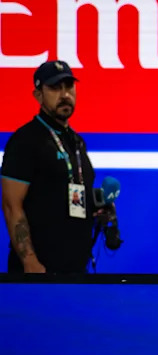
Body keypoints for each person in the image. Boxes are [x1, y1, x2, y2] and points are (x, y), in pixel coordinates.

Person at [1, 60, 96, 274]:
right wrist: (30, 261)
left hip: (75, 269)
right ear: (38, 95)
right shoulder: (25, 141)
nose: (64, 94)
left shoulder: (77, 142)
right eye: (55, 88)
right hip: (39, 270)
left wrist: (95, 210)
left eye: (69, 86)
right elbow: (11, 205)